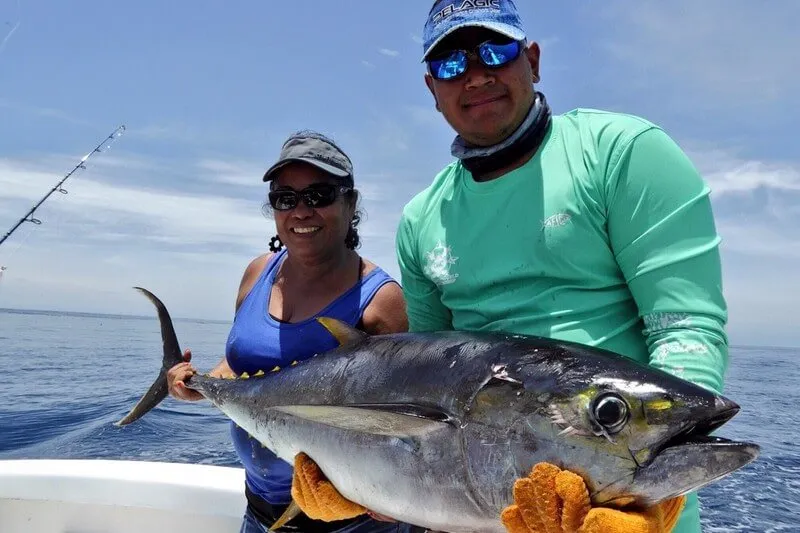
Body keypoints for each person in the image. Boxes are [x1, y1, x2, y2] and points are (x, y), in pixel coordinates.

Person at [393, 1, 729, 532]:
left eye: (495, 51)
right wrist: (361, 481)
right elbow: (421, 379)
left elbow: (686, 326)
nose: (477, 75)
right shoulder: (420, 219)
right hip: (476, 510)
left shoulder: (623, 153)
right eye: (452, 64)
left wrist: (645, 498)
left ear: (533, 60)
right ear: (432, 90)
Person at [166, 130, 420, 533]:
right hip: (259, 512)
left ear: (350, 203)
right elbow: (239, 367)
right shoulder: (256, 273)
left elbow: (403, 425)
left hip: (349, 524)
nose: (301, 211)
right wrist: (198, 383)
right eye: (286, 198)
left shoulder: (381, 299)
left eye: (319, 195)